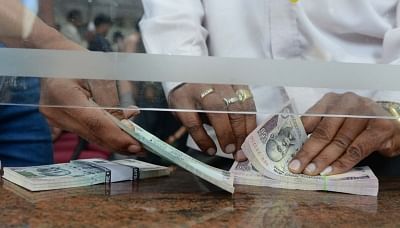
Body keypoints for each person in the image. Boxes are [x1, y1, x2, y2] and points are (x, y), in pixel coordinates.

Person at [140, 0, 400, 175]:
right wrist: (182, 64)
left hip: (373, 143)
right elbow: (171, 11)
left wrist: (394, 103)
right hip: (227, 145)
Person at [0, 0, 142, 166]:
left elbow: (44, 8)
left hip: (21, 65)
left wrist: (49, 67)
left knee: (35, 184)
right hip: (25, 49)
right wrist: (51, 47)